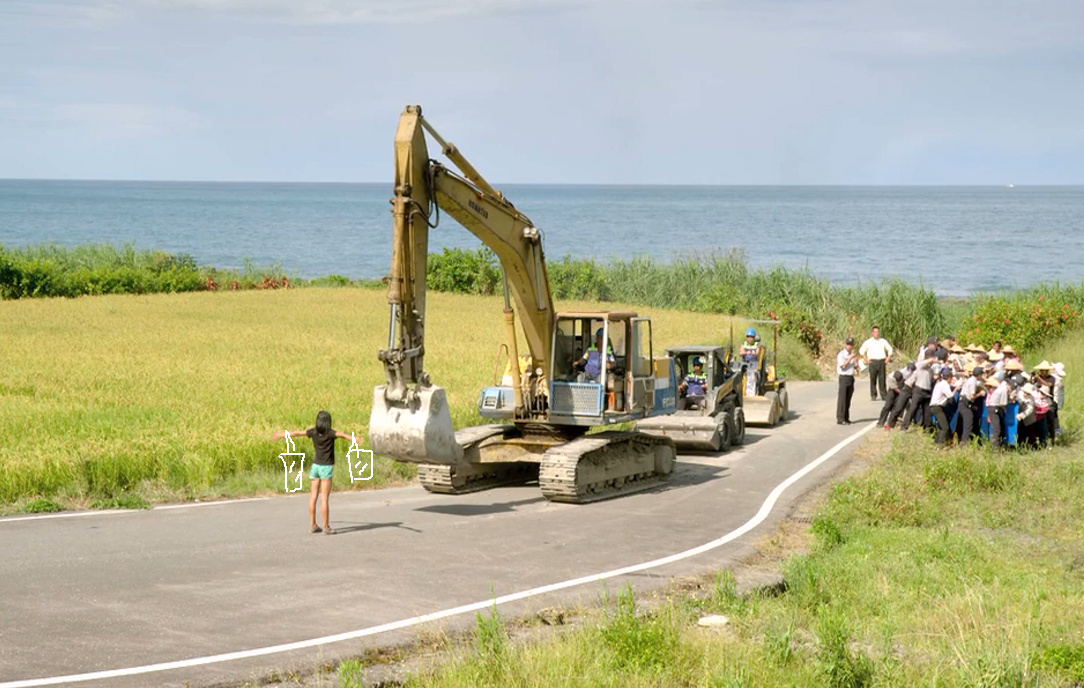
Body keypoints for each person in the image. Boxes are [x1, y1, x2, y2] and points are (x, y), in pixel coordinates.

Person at [272, 410, 355, 534]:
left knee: (313, 497)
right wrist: (356, 439)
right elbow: (343, 435)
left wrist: (281, 435)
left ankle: (313, 525)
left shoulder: (313, 432)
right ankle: (326, 527)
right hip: (326, 467)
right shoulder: (331, 433)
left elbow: (296, 433)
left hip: (315, 467)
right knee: (324, 498)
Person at [900, 349, 936, 431]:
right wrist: (931, 360)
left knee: (927, 412)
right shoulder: (920, 365)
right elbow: (919, 364)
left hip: (927, 392)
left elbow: (931, 380)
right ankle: (904, 426)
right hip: (918, 390)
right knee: (913, 408)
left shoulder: (931, 369)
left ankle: (927, 429)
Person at [859, 325, 894, 402]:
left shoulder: (882, 341)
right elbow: (861, 351)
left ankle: (883, 395)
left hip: (881, 361)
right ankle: (873, 394)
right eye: (875, 332)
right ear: (872, 333)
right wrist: (866, 359)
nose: (876, 334)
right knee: (873, 379)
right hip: (872, 362)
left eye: (877, 332)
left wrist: (888, 358)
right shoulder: (868, 342)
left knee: (882, 379)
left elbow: (890, 349)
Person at [957, 366, 984, 444]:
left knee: (966, 423)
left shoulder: (969, 380)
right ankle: (964, 443)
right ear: (979, 375)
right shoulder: (973, 382)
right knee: (968, 424)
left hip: (963, 402)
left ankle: (963, 440)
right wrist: (980, 394)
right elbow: (971, 396)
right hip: (965, 403)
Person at [929, 367, 956, 446]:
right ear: (949, 378)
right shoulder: (945, 385)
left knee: (941, 426)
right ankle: (940, 444)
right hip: (937, 407)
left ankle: (936, 442)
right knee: (945, 427)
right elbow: (950, 396)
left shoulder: (939, 383)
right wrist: (956, 388)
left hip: (934, 407)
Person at [836, 337, 858, 425]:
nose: (849, 346)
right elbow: (843, 366)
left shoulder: (852, 355)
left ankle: (846, 417)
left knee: (848, 399)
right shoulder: (841, 354)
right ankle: (840, 418)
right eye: (848, 344)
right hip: (843, 377)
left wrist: (856, 365)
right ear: (845, 345)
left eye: (851, 345)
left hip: (850, 377)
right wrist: (850, 358)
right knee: (842, 399)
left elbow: (853, 365)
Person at [986, 373, 1009, 448]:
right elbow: (1003, 403)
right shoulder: (1003, 389)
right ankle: (995, 447)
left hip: (992, 407)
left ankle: (997, 445)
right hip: (994, 408)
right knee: (996, 429)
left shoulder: (998, 388)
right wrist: (1004, 409)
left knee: (996, 427)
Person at [740, 328, 764, 396]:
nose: (750, 339)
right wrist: (750, 352)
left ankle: (752, 393)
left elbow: (757, 353)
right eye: (748, 337)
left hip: (754, 364)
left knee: (753, 377)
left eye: (751, 337)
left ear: (754, 338)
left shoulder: (757, 345)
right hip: (745, 364)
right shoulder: (744, 344)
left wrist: (747, 352)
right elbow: (741, 353)